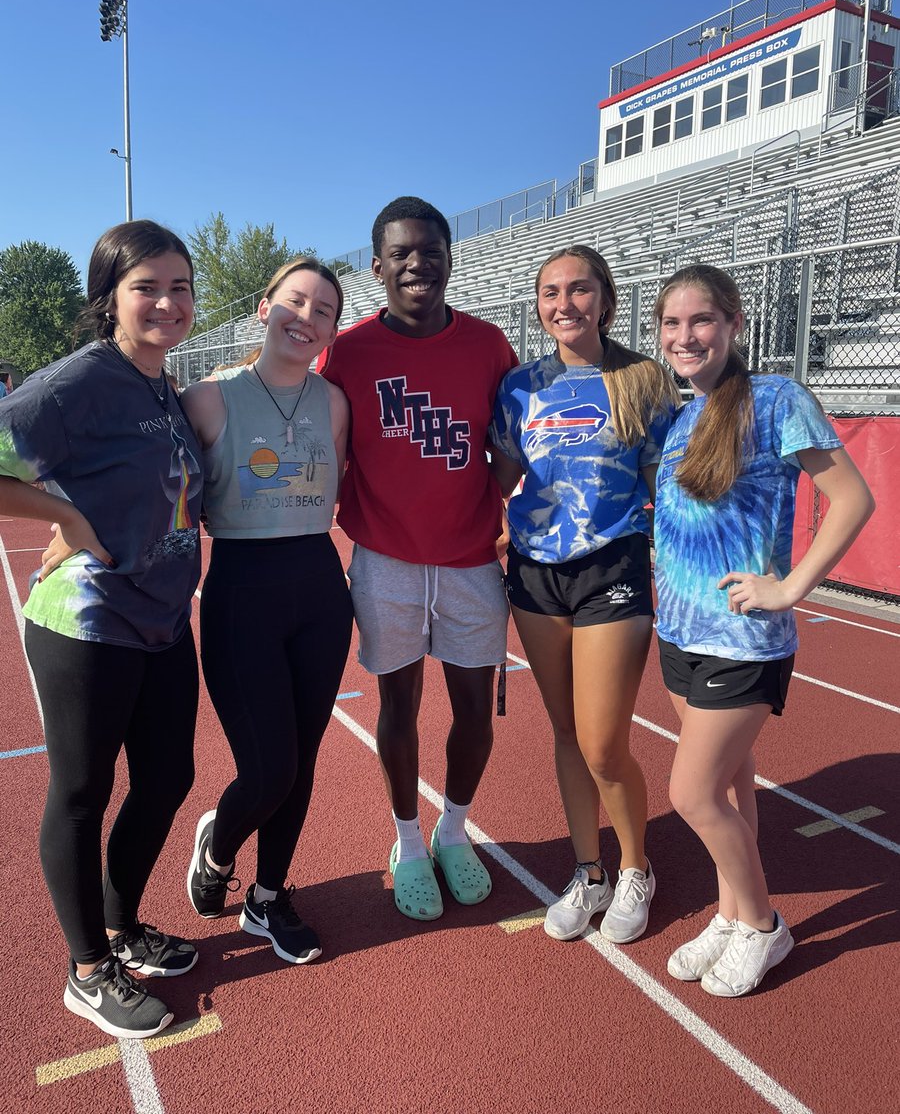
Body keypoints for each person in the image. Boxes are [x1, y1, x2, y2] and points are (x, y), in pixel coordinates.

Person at [0, 221, 203, 1038]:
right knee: (83, 793)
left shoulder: (161, 382)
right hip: (86, 621)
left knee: (167, 779)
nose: (167, 301)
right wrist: (62, 516)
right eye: (146, 286)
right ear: (109, 300)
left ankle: (121, 928)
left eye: (180, 285)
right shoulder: (77, 382)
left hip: (163, 615)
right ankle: (88, 971)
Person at [653, 264, 874, 996]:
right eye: (672, 324)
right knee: (732, 788)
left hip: (744, 641)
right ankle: (728, 912)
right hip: (680, 634)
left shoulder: (777, 399)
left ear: (734, 324)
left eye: (702, 321)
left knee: (692, 795)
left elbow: (851, 498)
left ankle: (763, 926)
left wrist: (789, 586)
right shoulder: (685, 417)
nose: (686, 336)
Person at [318, 196, 517, 921]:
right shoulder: (349, 352)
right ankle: (406, 840)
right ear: (377, 267)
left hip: (469, 558)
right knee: (398, 704)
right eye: (401, 253)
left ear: (449, 259)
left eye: (429, 250)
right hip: (386, 558)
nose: (416, 264)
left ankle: (453, 830)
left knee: (474, 711)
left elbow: (511, 453)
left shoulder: (491, 346)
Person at [490, 245, 678, 944]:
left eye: (578, 290)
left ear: (605, 298)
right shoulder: (518, 387)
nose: (563, 304)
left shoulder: (643, 381)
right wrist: (492, 530)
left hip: (613, 566)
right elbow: (504, 474)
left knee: (603, 741)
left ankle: (637, 869)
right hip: (536, 575)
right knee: (566, 731)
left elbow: (667, 481)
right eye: (549, 293)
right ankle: (590, 870)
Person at [182, 258, 352, 963]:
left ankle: (270, 896)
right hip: (241, 589)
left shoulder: (334, 403)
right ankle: (220, 842)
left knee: (303, 757)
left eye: (323, 311)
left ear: (333, 329)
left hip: (318, 584)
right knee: (268, 767)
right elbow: (156, 488)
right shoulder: (208, 398)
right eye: (295, 302)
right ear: (263, 307)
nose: (305, 318)